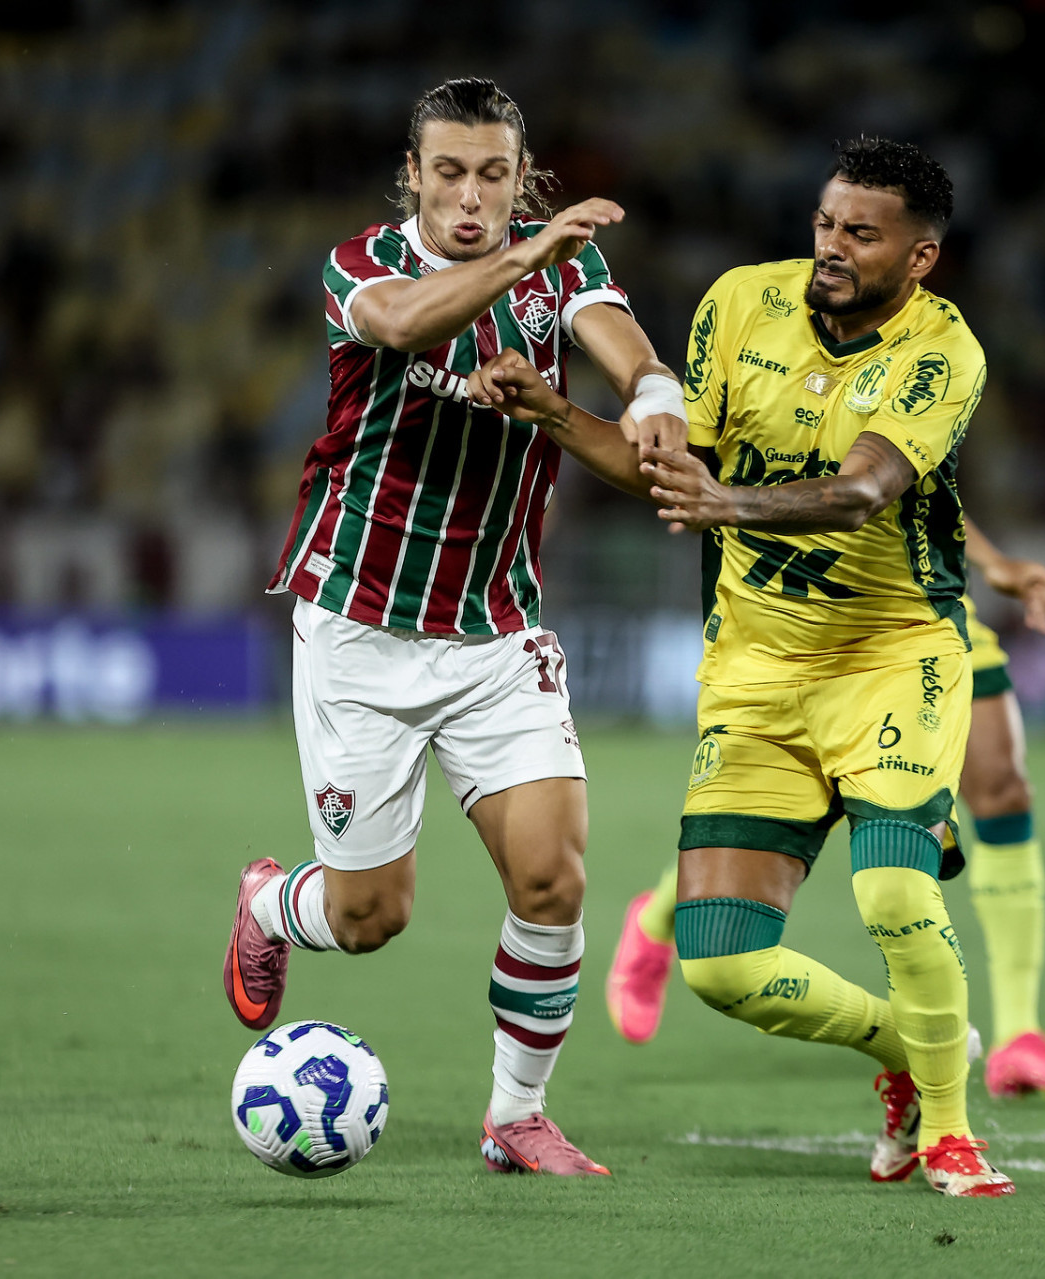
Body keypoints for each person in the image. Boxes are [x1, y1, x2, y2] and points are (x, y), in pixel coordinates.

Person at [469, 138, 1013, 1196]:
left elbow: (860, 491)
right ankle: (911, 1049)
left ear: (921, 258)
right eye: (825, 223)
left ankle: (948, 1132)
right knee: (720, 961)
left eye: (862, 233)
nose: (832, 247)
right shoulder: (739, 305)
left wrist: (727, 505)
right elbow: (672, 468)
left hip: (892, 655)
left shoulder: (944, 353)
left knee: (897, 887)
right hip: (756, 671)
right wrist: (556, 414)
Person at [220, 78, 686, 1179]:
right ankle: (272, 904)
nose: (471, 195)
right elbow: (402, 323)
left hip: (494, 631)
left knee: (552, 877)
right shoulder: (360, 269)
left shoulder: (567, 265)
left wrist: (656, 393)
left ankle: (514, 1114)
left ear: (521, 178)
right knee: (372, 915)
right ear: (413, 176)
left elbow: (620, 348)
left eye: (493, 174)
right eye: (449, 172)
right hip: (363, 628)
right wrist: (527, 258)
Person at [606, 525, 1045, 1100]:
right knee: (830, 804)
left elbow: (913, 471)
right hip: (802, 612)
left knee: (1004, 788)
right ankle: (662, 913)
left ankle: (1018, 1035)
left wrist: (991, 563)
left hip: (916, 606)